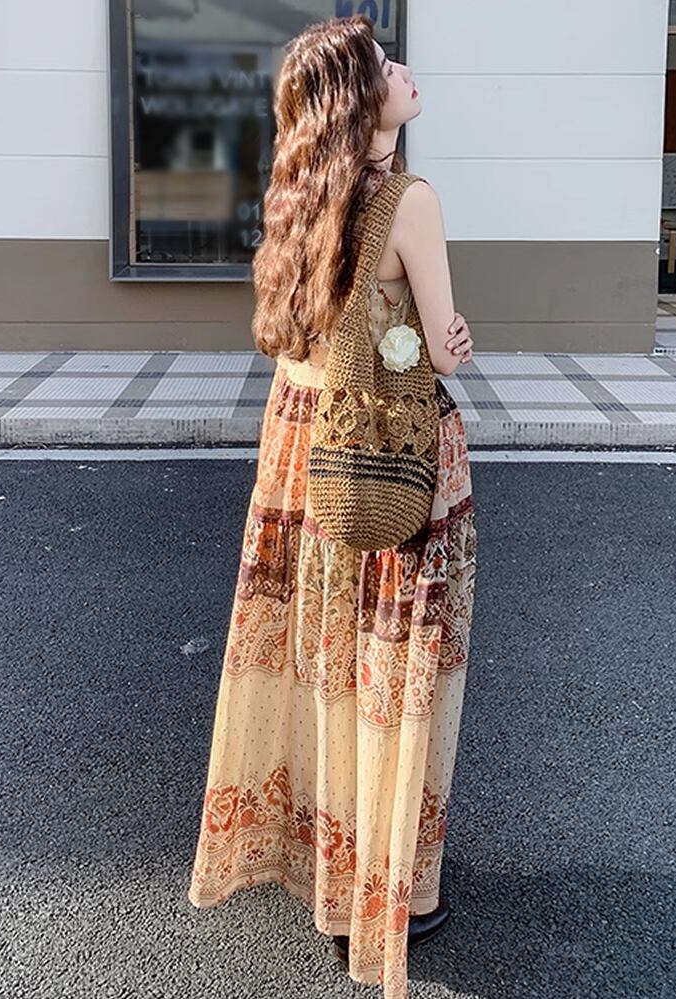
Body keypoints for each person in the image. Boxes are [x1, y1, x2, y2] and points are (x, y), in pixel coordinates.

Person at [187, 14, 478, 999]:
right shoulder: (409, 201)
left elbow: (303, 339)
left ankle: (324, 864)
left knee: (322, 661)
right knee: (397, 667)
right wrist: (449, 340)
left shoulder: (301, 198)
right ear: (362, 100)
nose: (404, 69)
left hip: (302, 454)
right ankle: (391, 889)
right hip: (392, 458)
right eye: (385, 64)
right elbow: (440, 350)